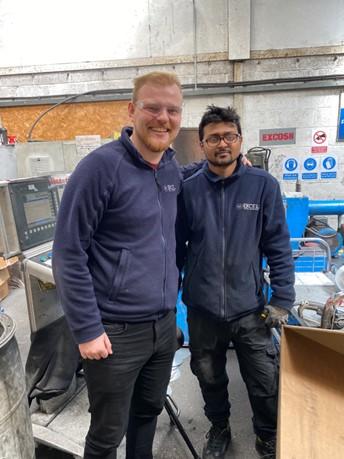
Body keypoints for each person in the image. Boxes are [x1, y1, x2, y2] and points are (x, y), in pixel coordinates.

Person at [52, 71, 185, 459]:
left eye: (172, 110)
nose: (163, 118)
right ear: (131, 110)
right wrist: (87, 329)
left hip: (162, 326)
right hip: (115, 333)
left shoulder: (173, 170)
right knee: (107, 433)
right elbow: (68, 252)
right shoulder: (99, 169)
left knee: (147, 413)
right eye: (152, 107)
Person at [176, 105, 295, 459]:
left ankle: (267, 435)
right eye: (213, 138)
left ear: (240, 140)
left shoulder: (264, 186)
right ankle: (220, 428)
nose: (222, 143)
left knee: (263, 380)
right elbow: (176, 249)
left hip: (250, 308)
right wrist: (170, 301)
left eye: (229, 136)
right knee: (209, 377)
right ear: (202, 145)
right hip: (202, 309)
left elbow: (277, 244)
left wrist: (283, 300)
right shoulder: (188, 190)